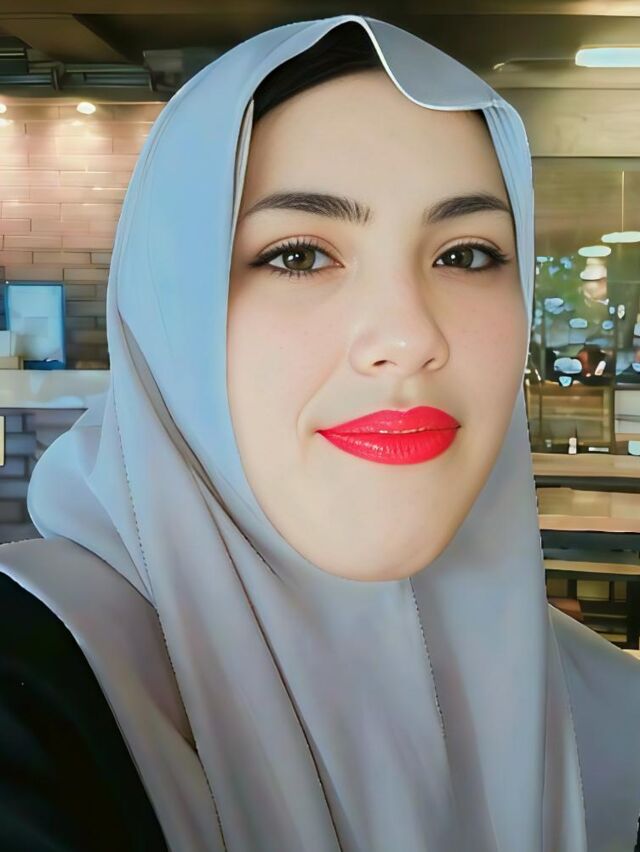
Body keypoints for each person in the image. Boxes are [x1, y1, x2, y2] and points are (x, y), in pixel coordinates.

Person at [1, 13, 640, 851]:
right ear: (169, 311)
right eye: (298, 255)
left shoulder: (604, 710)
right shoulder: (37, 685)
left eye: (467, 255)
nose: (410, 337)